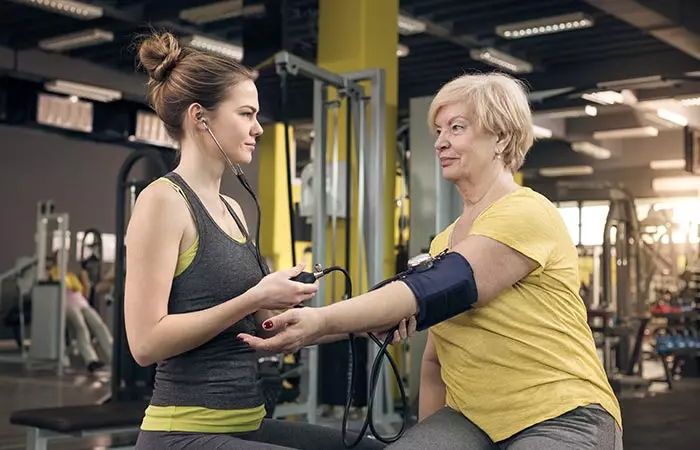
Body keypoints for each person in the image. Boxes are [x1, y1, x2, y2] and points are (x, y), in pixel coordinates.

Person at [239, 73, 624, 449]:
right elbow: (435, 363)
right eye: (438, 131)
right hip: (472, 418)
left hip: (560, 413)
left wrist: (320, 320)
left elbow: (441, 286)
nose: (440, 142)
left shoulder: (525, 211)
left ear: (502, 138)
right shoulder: (445, 240)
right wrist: (299, 329)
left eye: (457, 128)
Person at [125, 31, 392, 450]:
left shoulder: (232, 207)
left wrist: (364, 325)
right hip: (183, 432)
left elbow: (259, 331)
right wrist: (252, 298)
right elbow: (144, 343)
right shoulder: (163, 201)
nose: (258, 129)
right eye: (246, 114)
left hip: (246, 423)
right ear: (201, 117)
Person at [47, 252, 113, 372]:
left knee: (99, 325)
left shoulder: (70, 275)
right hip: (67, 303)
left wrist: (84, 277)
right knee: (81, 327)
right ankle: (91, 360)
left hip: (81, 302)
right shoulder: (54, 273)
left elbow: (83, 289)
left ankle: (113, 356)